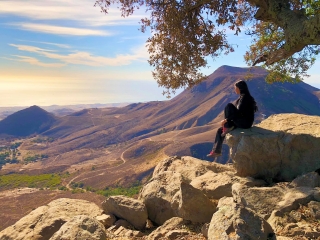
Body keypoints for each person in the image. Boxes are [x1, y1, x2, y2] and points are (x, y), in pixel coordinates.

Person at [207, 80, 258, 158]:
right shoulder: (243, 97)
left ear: (240, 88)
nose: (235, 90)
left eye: (236, 88)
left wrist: (226, 120)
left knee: (229, 106)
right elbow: (238, 114)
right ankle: (216, 151)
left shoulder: (245, 98)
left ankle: (227, 126)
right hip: (242, 121)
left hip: (245, 123)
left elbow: (239, 113)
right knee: (220, 130)